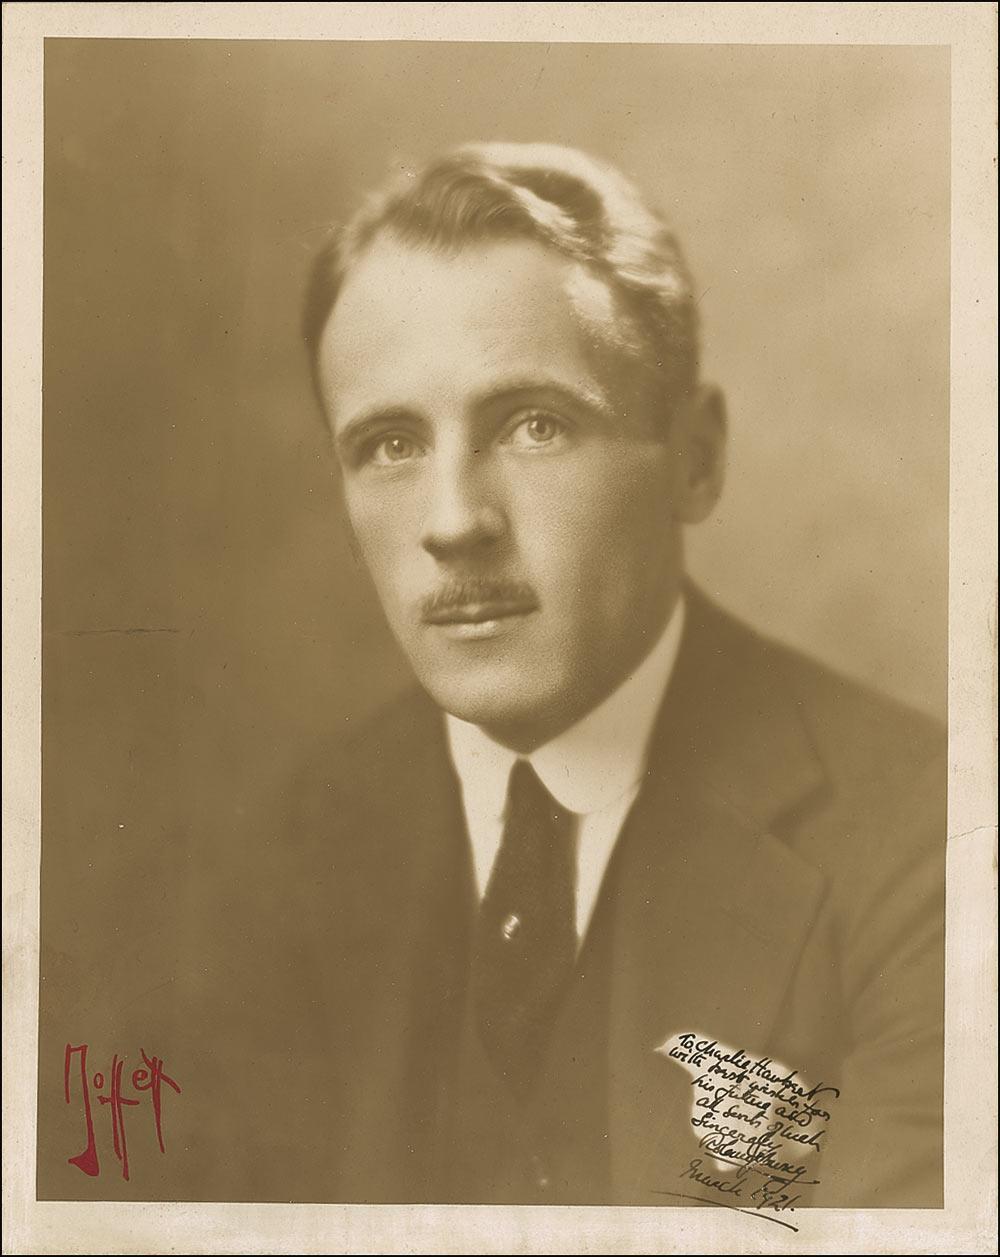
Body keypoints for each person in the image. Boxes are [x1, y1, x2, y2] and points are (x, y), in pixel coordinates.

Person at [247, 141, 945, 1208]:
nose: (452, 522)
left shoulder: (935, 850)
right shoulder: (283, 853)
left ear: (695, 458)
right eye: (390, 444)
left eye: (535, 426)